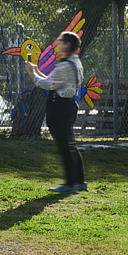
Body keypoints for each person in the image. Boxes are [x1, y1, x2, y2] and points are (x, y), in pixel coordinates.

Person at [31, 31, 87, 195]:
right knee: (71, 146)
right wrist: (36, 71)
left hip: (59, 108)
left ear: (67, 45)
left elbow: (48, 84)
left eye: (60, 40)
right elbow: (54, 82)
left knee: (65, 147)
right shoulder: (75, 63)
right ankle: (79, 182)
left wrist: (31, 73)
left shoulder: (64, 65)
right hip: (68, 105)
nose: (58, 43)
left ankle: (70, 184)